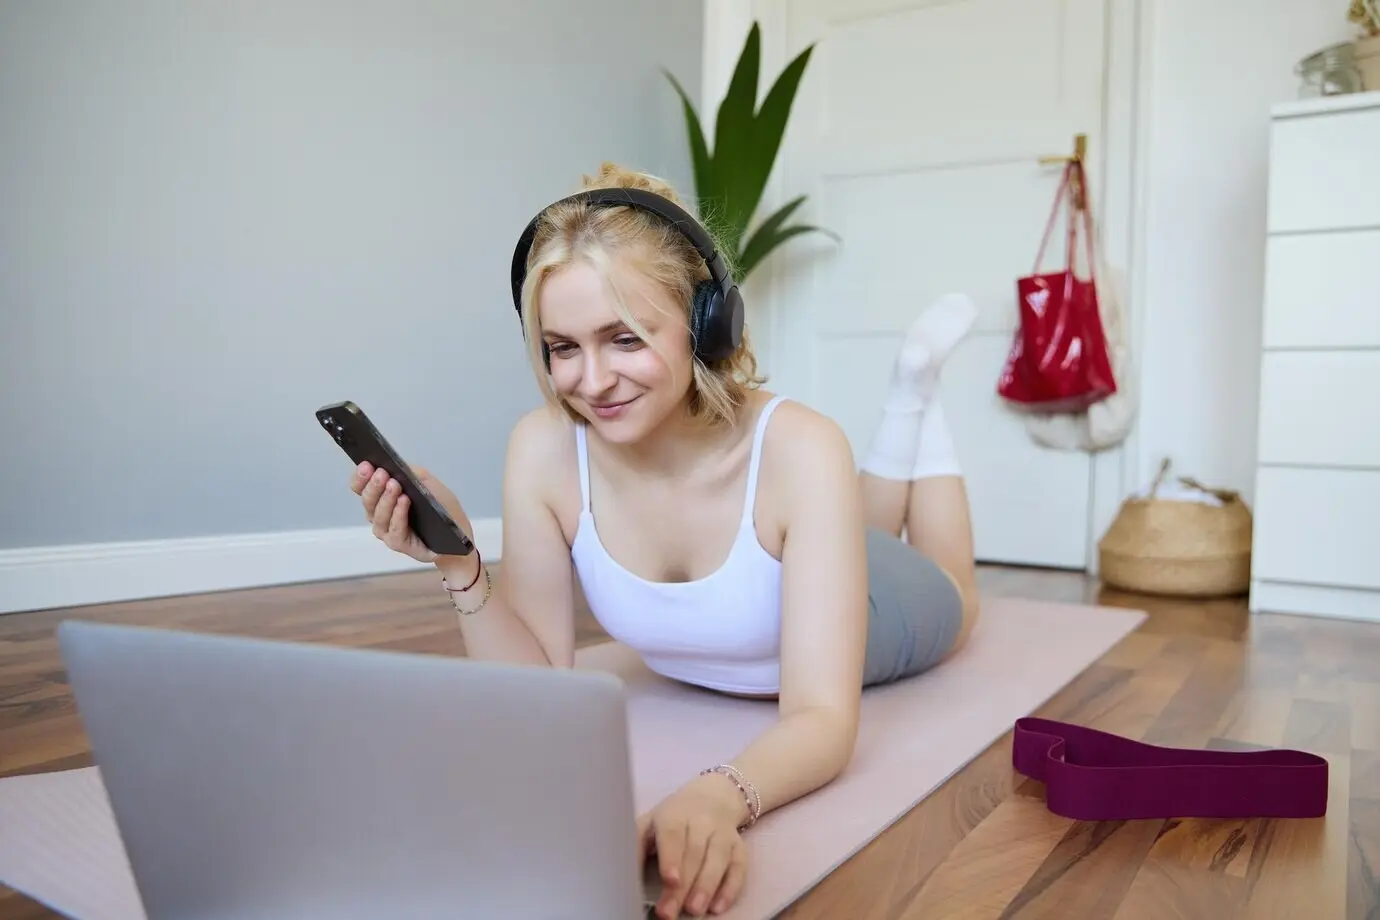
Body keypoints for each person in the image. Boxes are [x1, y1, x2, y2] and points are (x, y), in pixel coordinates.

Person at [348, 162, 982, 919]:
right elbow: (539, 682)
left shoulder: (802, 446)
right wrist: (458, 563)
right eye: (563, 347)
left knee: (951, 584)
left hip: (884, 610)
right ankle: (896, 429)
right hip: (799, 550)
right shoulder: (543, 448)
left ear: (707, 322)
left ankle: (917, 395)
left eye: (624, 338)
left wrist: (719, 798)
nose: (592, 381)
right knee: (860, 526)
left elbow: (822, 718)